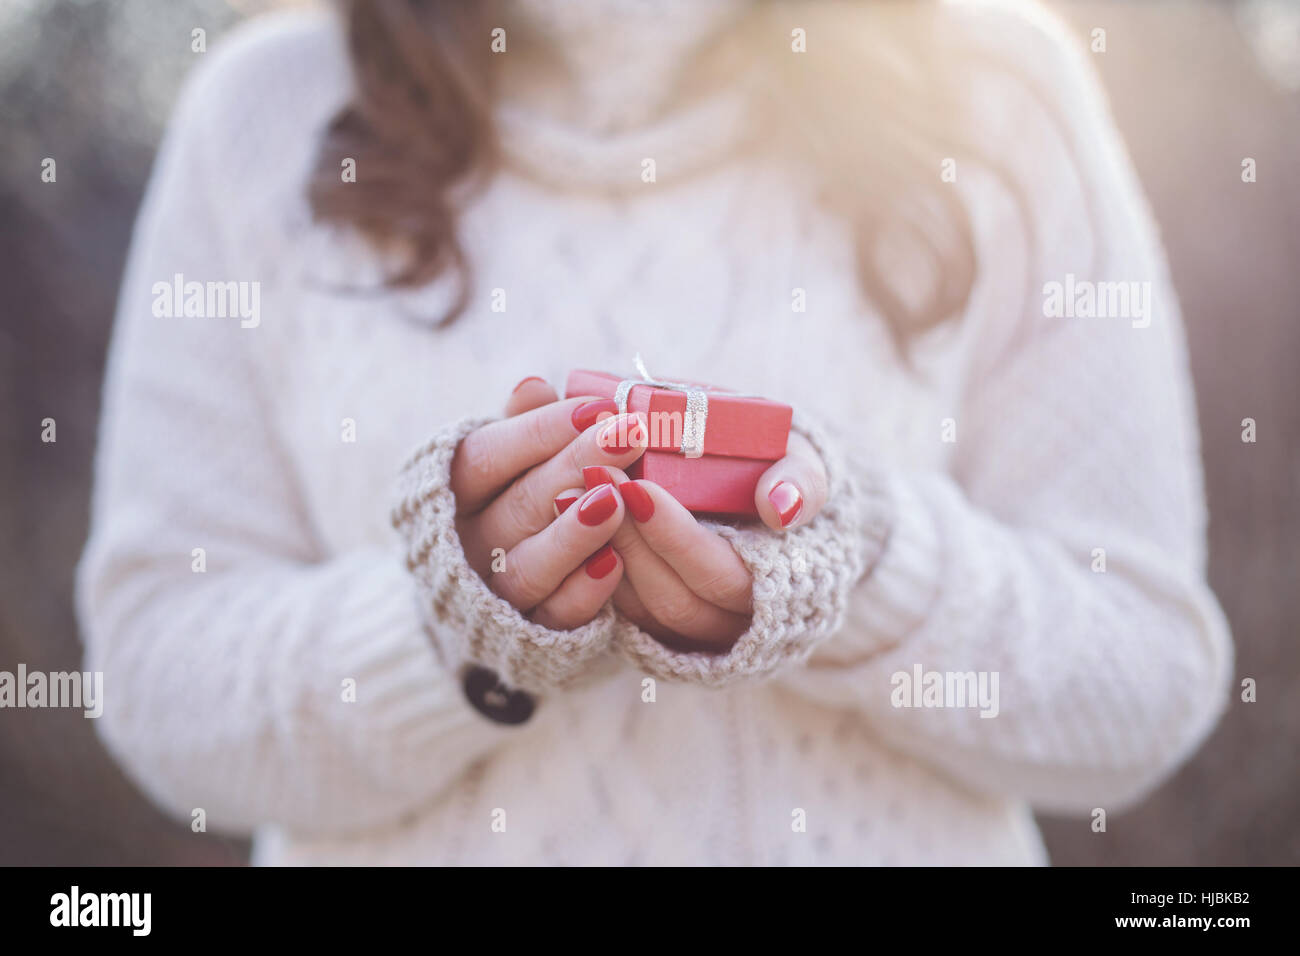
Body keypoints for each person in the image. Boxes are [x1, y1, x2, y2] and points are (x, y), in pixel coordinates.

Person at [77, 0, 1232, 865]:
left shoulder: (999, 88)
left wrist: (858, 571)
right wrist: (448, 628)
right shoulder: (262, 110)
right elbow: (158, 671)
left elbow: (1142, 669)